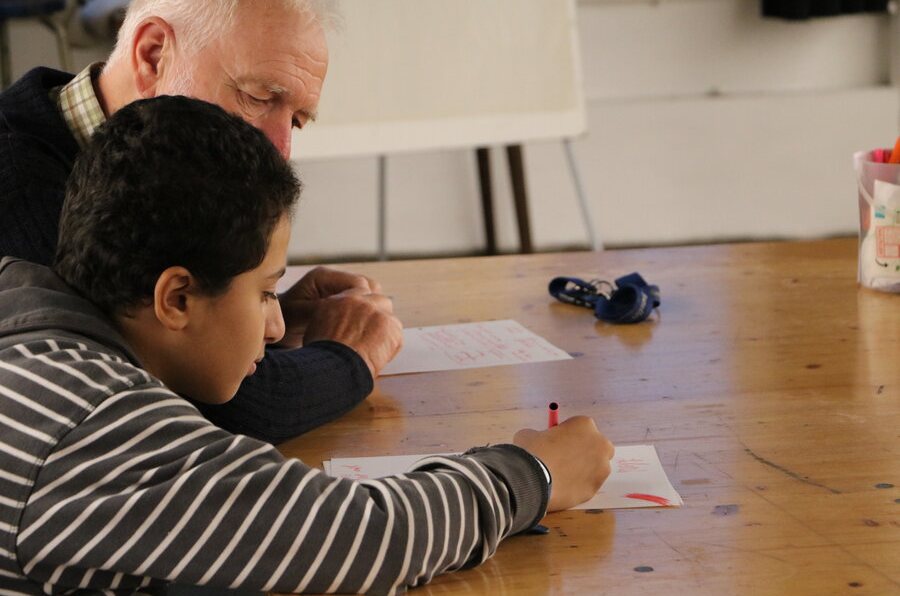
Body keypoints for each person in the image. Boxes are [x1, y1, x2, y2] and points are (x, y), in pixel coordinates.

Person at [0, 95, 615, 595]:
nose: (274, 327)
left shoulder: (33, 342)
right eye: (267, 292)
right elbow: (370, 538)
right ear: (177, 299)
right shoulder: (97, 425)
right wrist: (531, 474)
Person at [0, 0, 401, 443]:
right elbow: (203, 404)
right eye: (258, 97)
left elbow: (150, 338)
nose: (279, 151)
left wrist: (256, 313)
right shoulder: (21, 189)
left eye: (298, 122)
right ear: (153, 54)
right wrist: (350, 356)